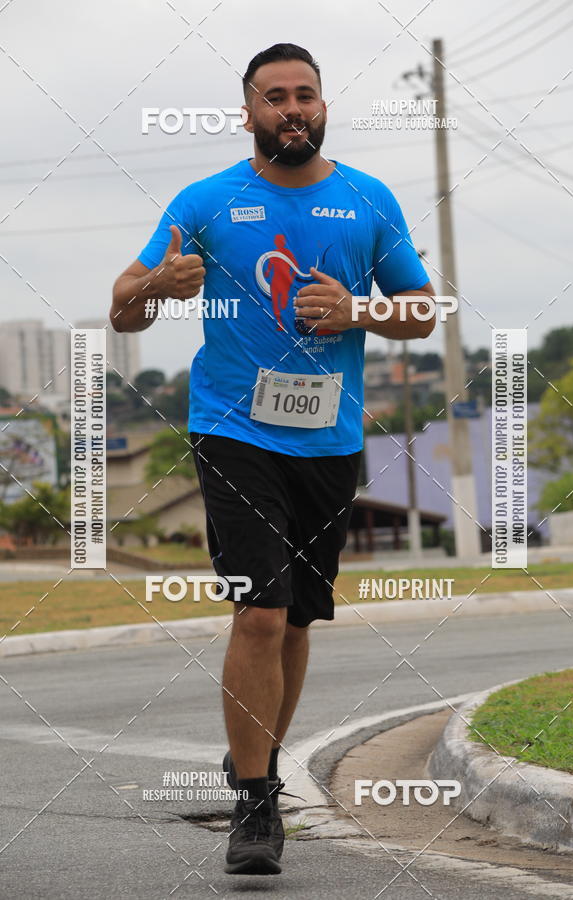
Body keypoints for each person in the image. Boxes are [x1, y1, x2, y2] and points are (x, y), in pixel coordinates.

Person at [110, 42, 435, 876]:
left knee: (294, 619)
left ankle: (249, 759)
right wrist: (157, 288)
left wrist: (357, 308)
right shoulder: (209, 200)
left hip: (331, 439)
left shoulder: (366, 199)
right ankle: (257, 805)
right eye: (276, 97)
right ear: (248, 111)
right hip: (233, 429)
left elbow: (424, 311)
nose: (293, 109)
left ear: (323, 106)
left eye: (307, 95)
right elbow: (123, 309)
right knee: (258, 611)